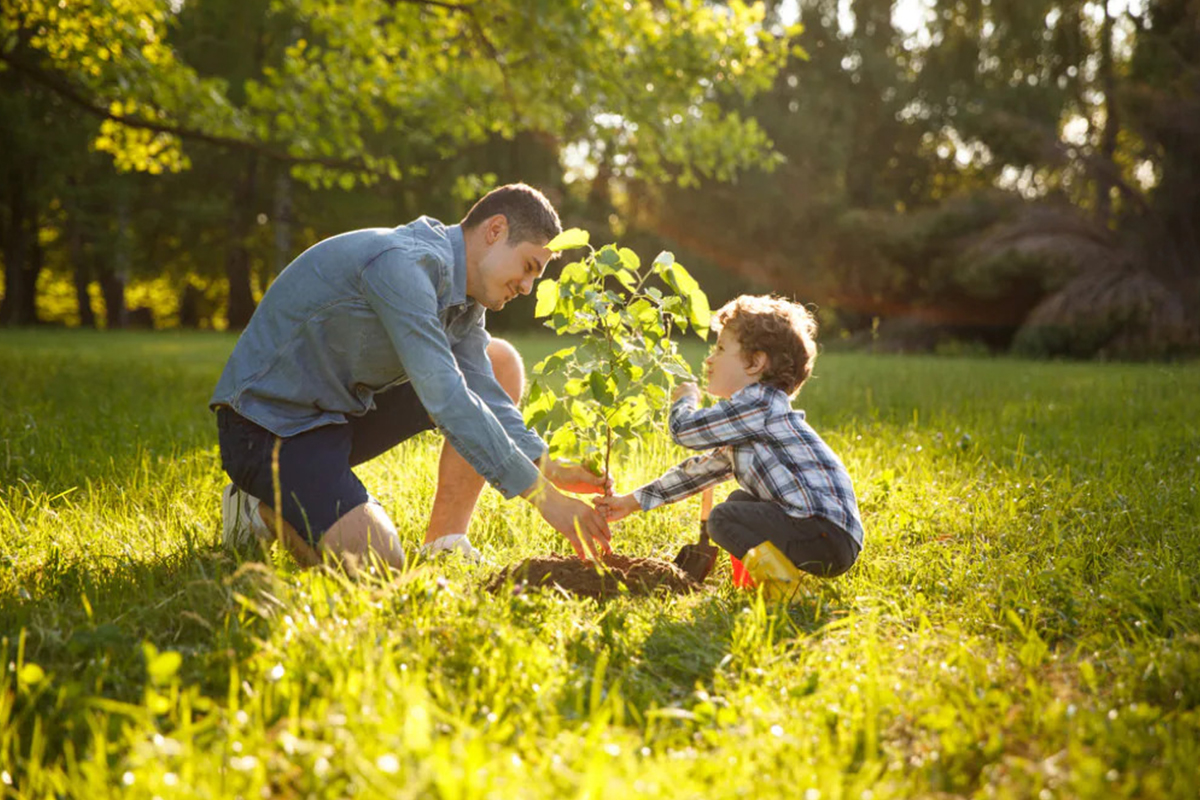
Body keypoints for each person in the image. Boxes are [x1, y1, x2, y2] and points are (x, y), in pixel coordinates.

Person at [211, 183, 611, 573]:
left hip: (337, 414)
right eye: (528, 267)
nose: (527, 287)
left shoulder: (466, 298)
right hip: (267, 428)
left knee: (499, 362)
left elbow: (484, 391)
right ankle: (257, 510)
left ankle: (445, 543)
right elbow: (447, 398)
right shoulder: (403, 265)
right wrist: (546, 500)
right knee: (379, 567)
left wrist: (547, 465)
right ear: (495, 231)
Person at [595, 295, 863, 599]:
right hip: (830, 535)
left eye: (720, 349)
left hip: (822, 532)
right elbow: (698, 473)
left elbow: (684, 431)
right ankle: (757, 585)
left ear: (755, 363)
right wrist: (631, 501)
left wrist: (686, 401)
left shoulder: (758, 404)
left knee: (723, 518)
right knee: (740, 501)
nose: (709, 359)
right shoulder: (754, 420)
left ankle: (787, 593)